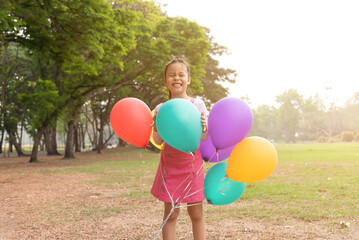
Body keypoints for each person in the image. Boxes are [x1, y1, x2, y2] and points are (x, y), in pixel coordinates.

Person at [151, 57, 208, 240]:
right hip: (170, 166)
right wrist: (156, 126)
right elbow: (158, 140)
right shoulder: (161, 108)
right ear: (165, 81)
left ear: (188, 79)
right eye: (172, 75)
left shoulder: (197, 104)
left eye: (181, 74)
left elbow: (204, 138)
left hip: (192, 166)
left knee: (196, 214)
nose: (177, 78)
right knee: (171, 214)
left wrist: (205, 127)